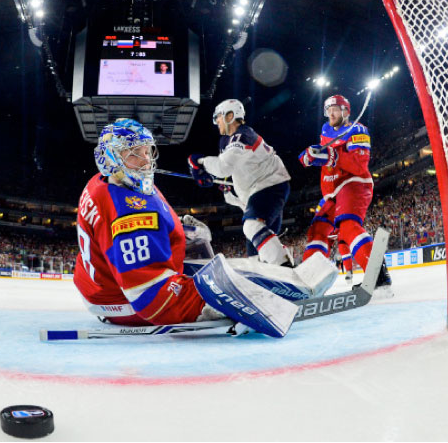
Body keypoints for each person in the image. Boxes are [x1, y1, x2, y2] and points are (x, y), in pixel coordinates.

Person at [73, 118, 321, 336]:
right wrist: (221, 303)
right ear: (110, 159)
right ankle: (290, 287)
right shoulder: (128, 214)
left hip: (102, 287)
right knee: (228, 277)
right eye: (133, 153)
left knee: (219, 264)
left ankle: (286, 277)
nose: (146, 161)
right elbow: (151, 298)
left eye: (147, 151)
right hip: (120, 301)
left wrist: (177, 232)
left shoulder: (105, 181)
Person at [298, 94, 392, 293]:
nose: (330, 113)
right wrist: (308, 156)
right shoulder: (325, 131)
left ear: (346, 111)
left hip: (353, 182)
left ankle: (378, 277)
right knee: (317, 231)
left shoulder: (358, 130)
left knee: (348, 226)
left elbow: (359, 164)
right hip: (331, 193)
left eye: (335, 108)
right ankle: (307, 283)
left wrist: (332, 156)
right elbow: (323, 156)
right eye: (328, 109)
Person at [187, 99, 293, 266]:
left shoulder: (242, 135)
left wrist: (198, 162)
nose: (216, 122)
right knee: (253, 252)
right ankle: (267, 279)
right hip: (260, 190)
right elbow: (227, 169)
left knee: (251, 226)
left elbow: (223, 168)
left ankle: (285, 266)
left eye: (219, 117)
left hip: (269, 187)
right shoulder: (229, 141)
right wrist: (215, 180)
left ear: (230, 116)